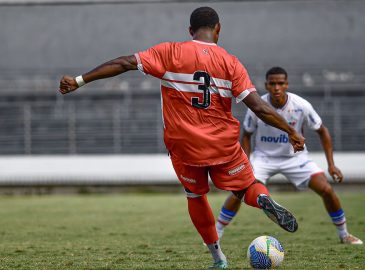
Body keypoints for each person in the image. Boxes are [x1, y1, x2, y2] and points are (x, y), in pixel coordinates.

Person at [59, 7, 305, 269]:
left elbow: (124, 63)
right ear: (218, 29)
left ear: (190, 31)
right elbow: (258, 107)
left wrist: (79, 80)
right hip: (223, 145)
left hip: (185, 146)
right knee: (245, 188)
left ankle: (218, 259)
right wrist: (290, 131)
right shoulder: (231, 63)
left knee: (195, 195)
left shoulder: (170, 52)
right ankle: (261, 199)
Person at [215, 67, 363, 245]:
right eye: (272, 84)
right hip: (263, 158)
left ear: (287, 84)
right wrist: (246, 162)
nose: (276, 87)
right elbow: (246, 135)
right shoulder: (257, 105)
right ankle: (217, 232)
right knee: (239, 191)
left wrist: (331, 165)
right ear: (266, 85)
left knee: (327, 189)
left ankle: (344, 234)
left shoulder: (301, 105)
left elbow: (323, 131)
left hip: (295, 158)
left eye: (280, 83)